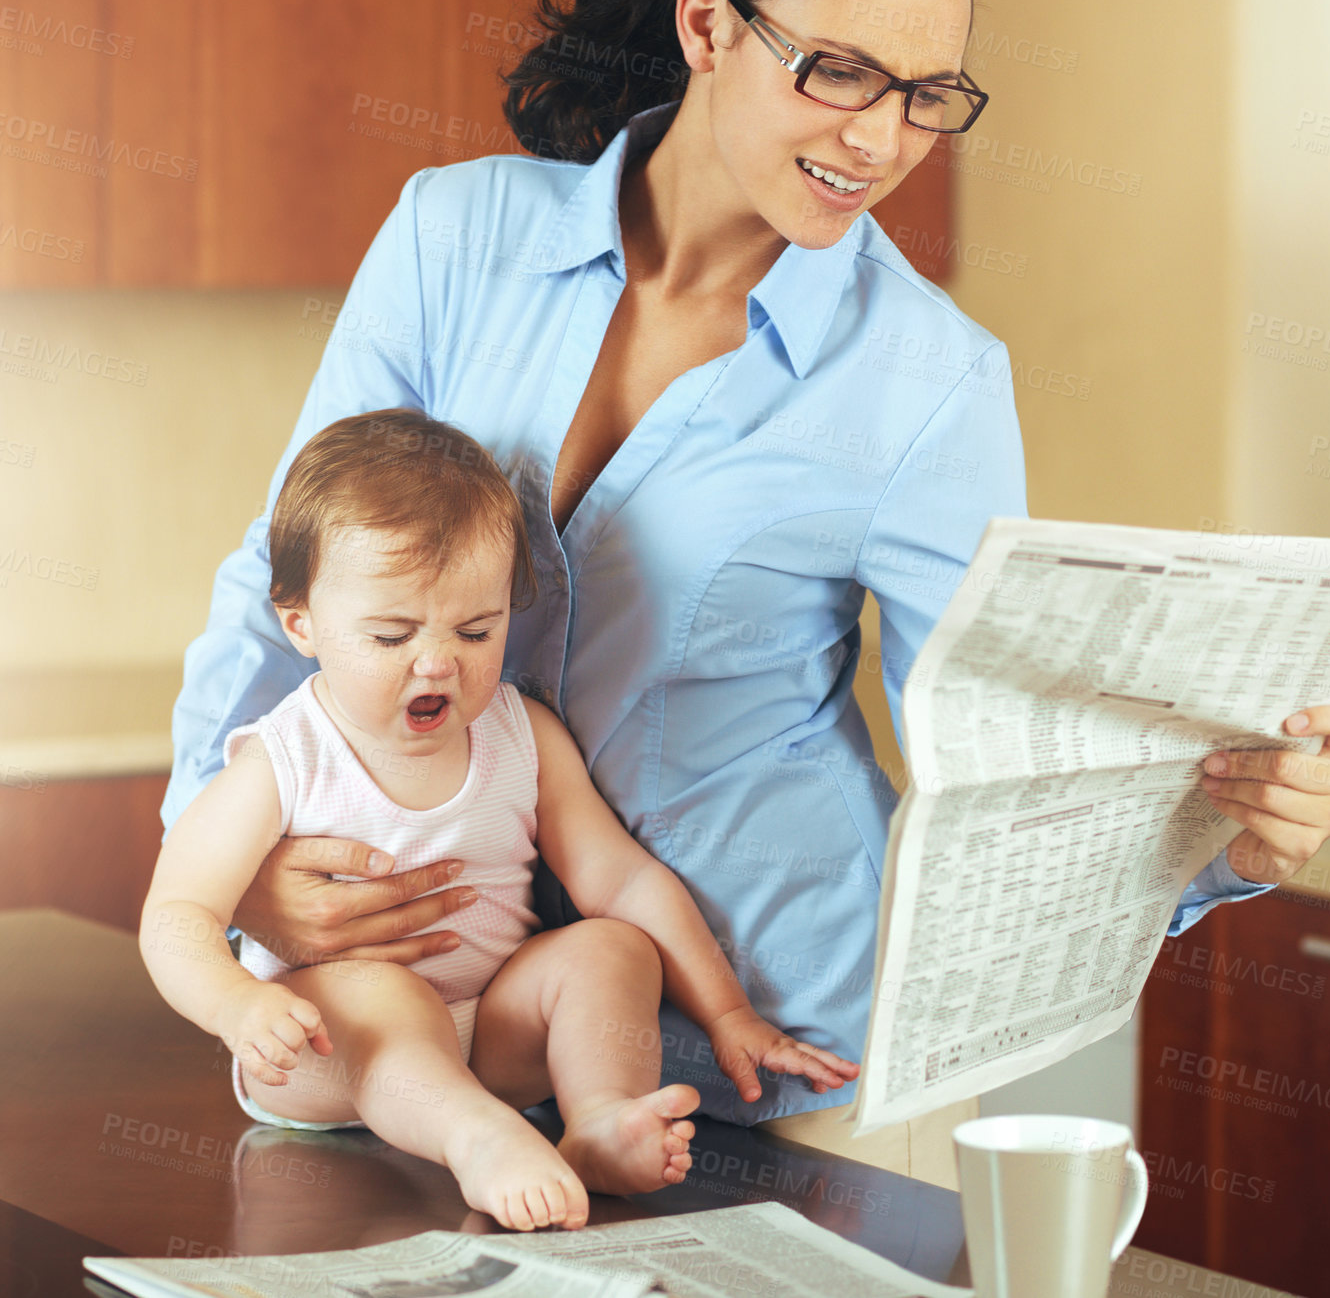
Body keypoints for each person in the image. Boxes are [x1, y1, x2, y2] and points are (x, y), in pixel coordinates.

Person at [162, 0, 1330, 1182]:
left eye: (926, 93)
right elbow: (276, 585)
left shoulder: (923, 379)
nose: (881, 136)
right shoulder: (455, 239)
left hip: (791, 1062)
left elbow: (1003, 758)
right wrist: (228, 873)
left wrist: (1218, 841)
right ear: (706, 22)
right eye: (838, 70)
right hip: (444, 1033)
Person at [143, 408, 857, 1232]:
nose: (438, 660)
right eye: (390, 634)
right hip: (323, 1054)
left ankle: (598, 1121)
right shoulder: (281, 760)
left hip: (488, 1039)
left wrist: (726, 1010)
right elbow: (177, 914)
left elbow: (620, 880)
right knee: (385, 994)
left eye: (476, 629)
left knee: (612, 946)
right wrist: (238, 1007)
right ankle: (474, 1138)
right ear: (301, 624)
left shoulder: (524, 736)